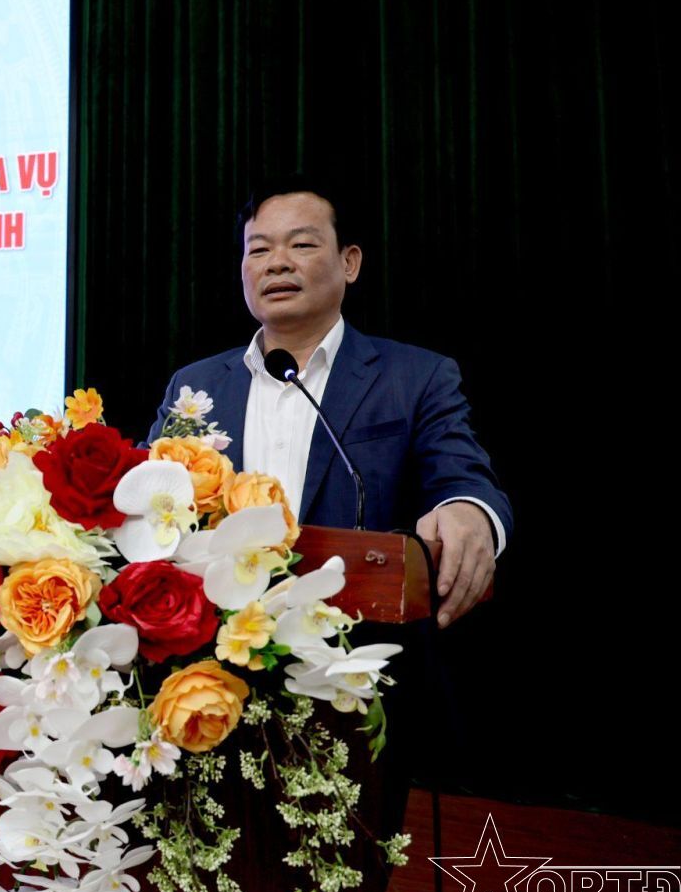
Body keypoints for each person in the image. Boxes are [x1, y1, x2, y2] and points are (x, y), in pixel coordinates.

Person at [149, 177, 512, 627]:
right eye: (259, 250)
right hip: (219, 649)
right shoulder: (195, 388)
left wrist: (470, 512)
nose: (277, 263)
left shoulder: (415, 378)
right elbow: (148, 501)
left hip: (362, 647)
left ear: (349, 262)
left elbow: (464, 480)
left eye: (301, 245)